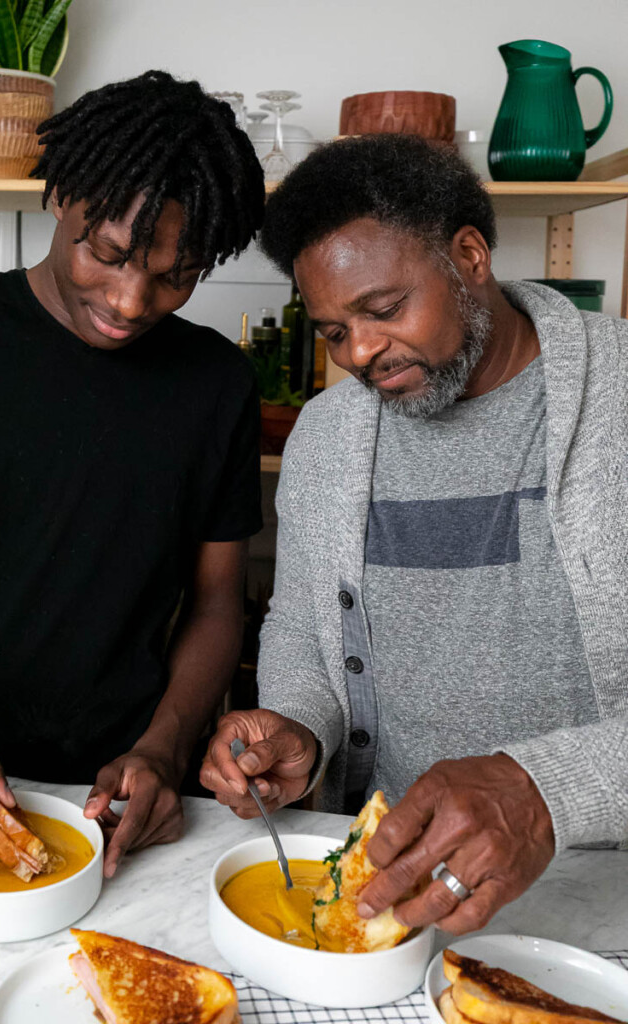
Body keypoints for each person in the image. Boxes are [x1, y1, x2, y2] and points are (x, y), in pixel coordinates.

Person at [201, 133, 628, 935]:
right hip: (384, 896)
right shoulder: (326, 435)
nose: (359, 354)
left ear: (469, 255)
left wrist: (545, 790)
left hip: (603, 898)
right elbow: (297, 628)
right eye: (331, 332)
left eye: (383, 309)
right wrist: (296, 726)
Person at [0, 70, 265, 878]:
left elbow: (214, 602)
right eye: (109, 253)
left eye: (176, 275)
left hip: (112, 800)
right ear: (60, 195)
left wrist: (163, 752)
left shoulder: (215, 383)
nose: (132, 302)